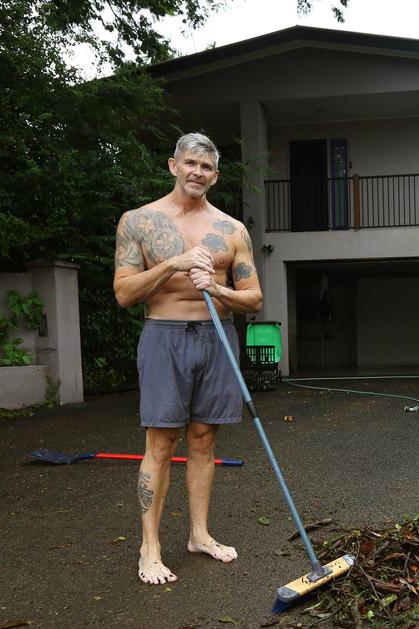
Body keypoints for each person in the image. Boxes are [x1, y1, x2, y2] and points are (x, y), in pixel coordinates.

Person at [113, 132, 263, 585]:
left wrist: (216, 287)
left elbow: (253, 299)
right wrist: (172, 265)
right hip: (165, 335)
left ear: (216, 177)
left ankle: (199, 534)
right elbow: (123, 294)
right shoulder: (138, 221)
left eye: (207, 167)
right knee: (161, 445)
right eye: (191, 163)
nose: (198, 172)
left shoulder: (232, 230)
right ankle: (150, 547)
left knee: (203, 441)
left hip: (217, 338)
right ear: (173, 166)